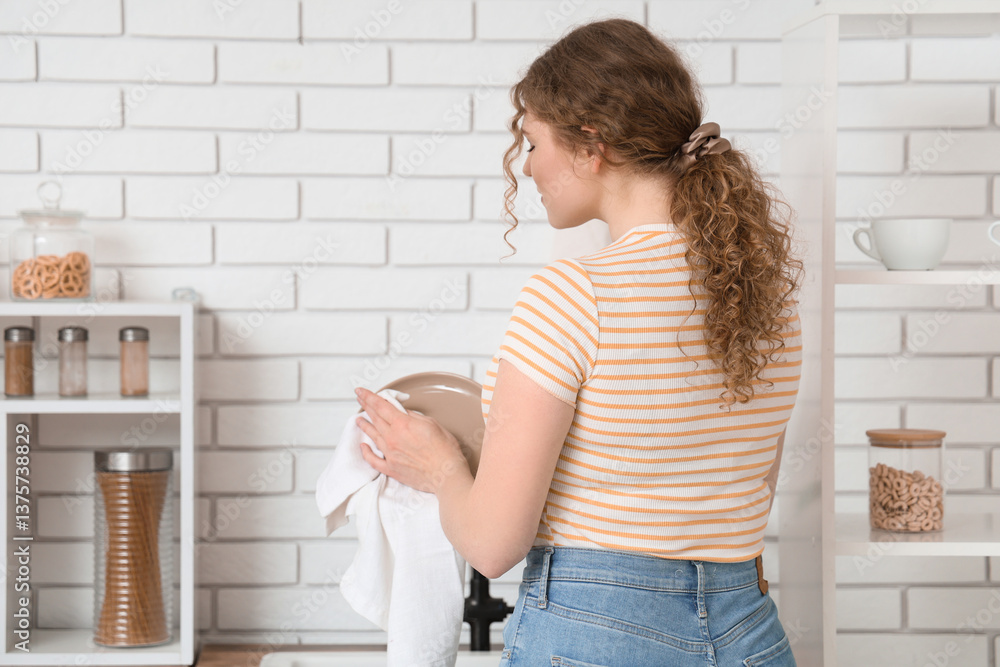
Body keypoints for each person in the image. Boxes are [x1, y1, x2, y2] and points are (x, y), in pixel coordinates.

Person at [354, 17, 803, 667]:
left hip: (595, 636)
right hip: (750, 634)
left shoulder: (573, 294)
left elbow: (493, 545)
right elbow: (732, 496)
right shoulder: (765, 298)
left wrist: (441, 468)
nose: (527, 166)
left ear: (591, 145)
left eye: (534, 142)